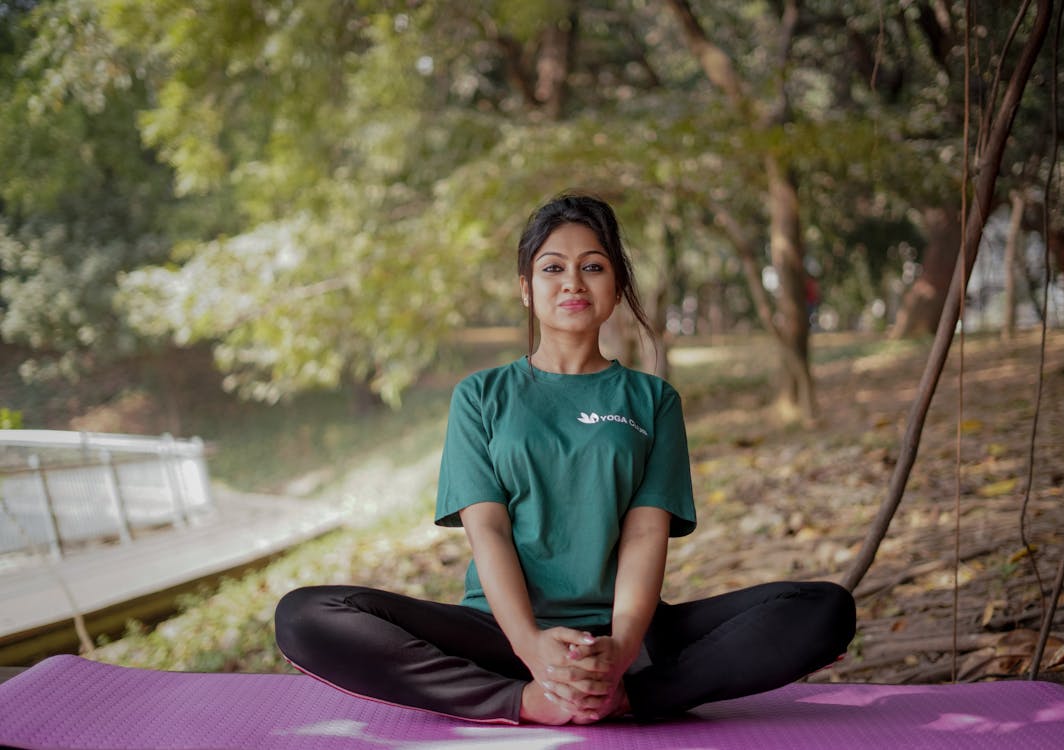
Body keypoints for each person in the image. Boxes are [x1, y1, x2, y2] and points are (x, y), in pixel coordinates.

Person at [274, 192, 856, 726]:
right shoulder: (481, 395)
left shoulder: (653, 400)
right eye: (552, 267)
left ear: (617, 284)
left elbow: (644, 535)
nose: (572, 281)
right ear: (526, 287)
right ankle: (524, 700)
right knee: (307, 614)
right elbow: (490, 534)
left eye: (593, 266)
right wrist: (532, 648)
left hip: (629, 636)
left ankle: (622, 696)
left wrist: (621, 649)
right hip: (500, 633)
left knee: (822, 609)